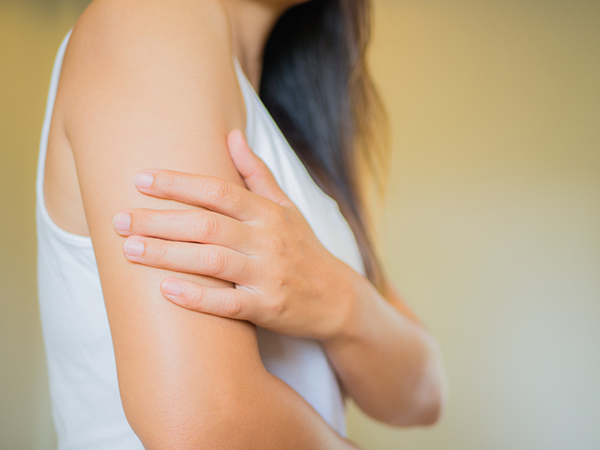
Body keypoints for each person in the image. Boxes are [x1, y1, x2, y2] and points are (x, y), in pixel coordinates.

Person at [37, 0, 447, 447]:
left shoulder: (298, 137)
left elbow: (424, 391)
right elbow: (203, 425)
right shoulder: (148, 18)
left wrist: (337, 298)